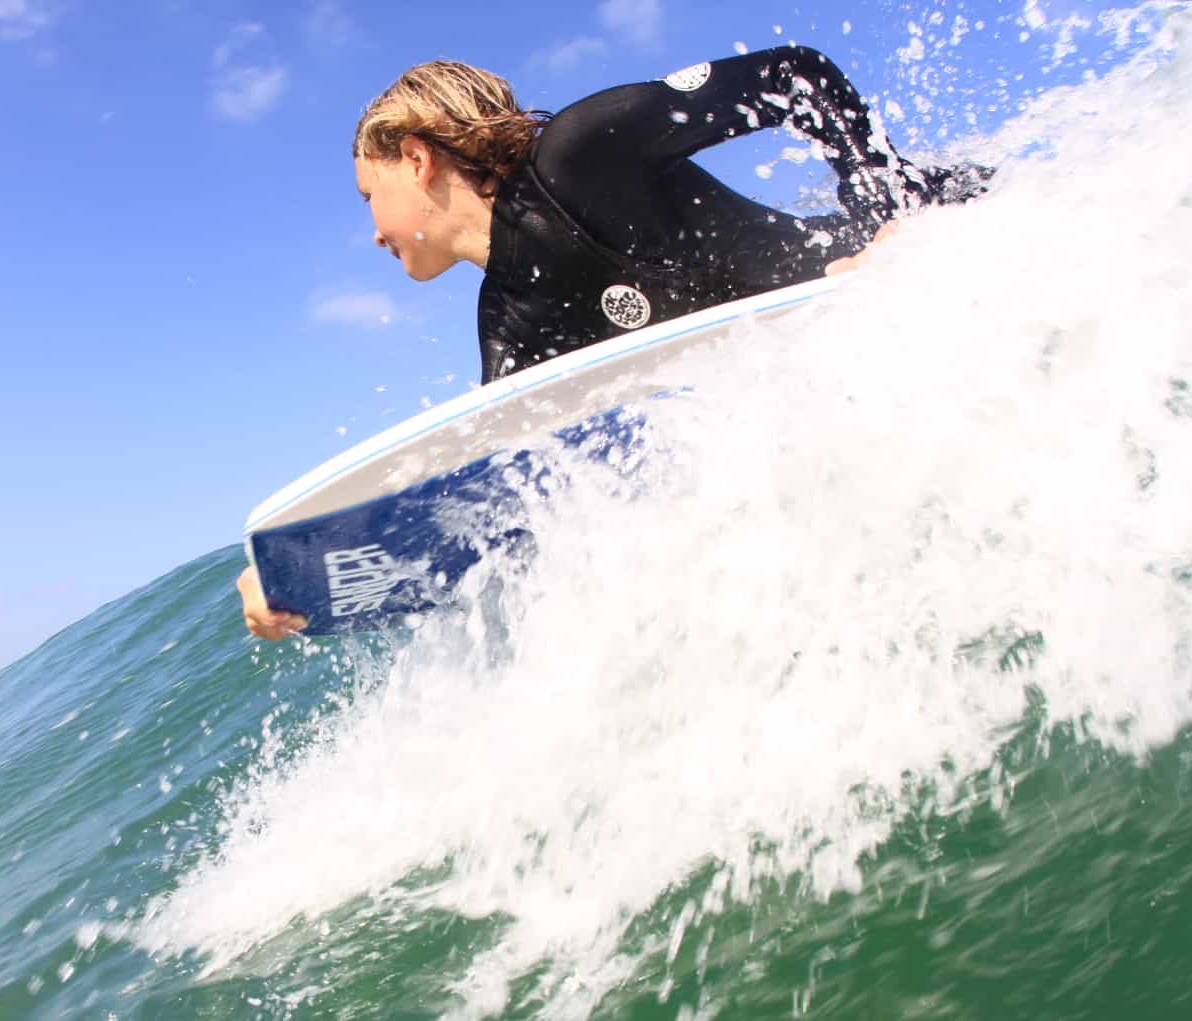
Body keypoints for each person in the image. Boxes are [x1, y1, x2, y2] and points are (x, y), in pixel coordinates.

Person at [239, 46, 989, 640]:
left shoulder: (580, 150)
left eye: (371, 198)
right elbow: (500, 493)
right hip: (843, 358)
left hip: (947, 241)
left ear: (415, 157)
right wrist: (294, 577)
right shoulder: (509, 319)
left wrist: (890, 209)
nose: (372, 230)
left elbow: (797, 73)